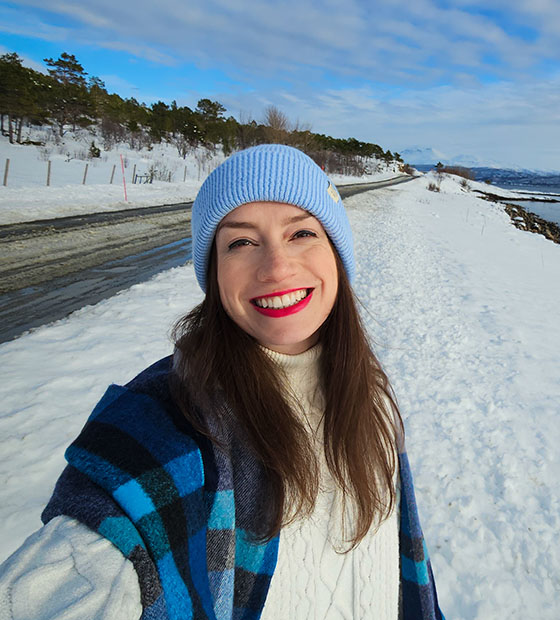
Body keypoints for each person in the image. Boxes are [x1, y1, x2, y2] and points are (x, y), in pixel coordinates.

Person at [0, 145, 443, 619]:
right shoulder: (173, 417)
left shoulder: (370, 396)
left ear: (336, 254)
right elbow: (80, 559)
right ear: (214, 274)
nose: (276, 267)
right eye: (241, 243)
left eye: (301, 233)